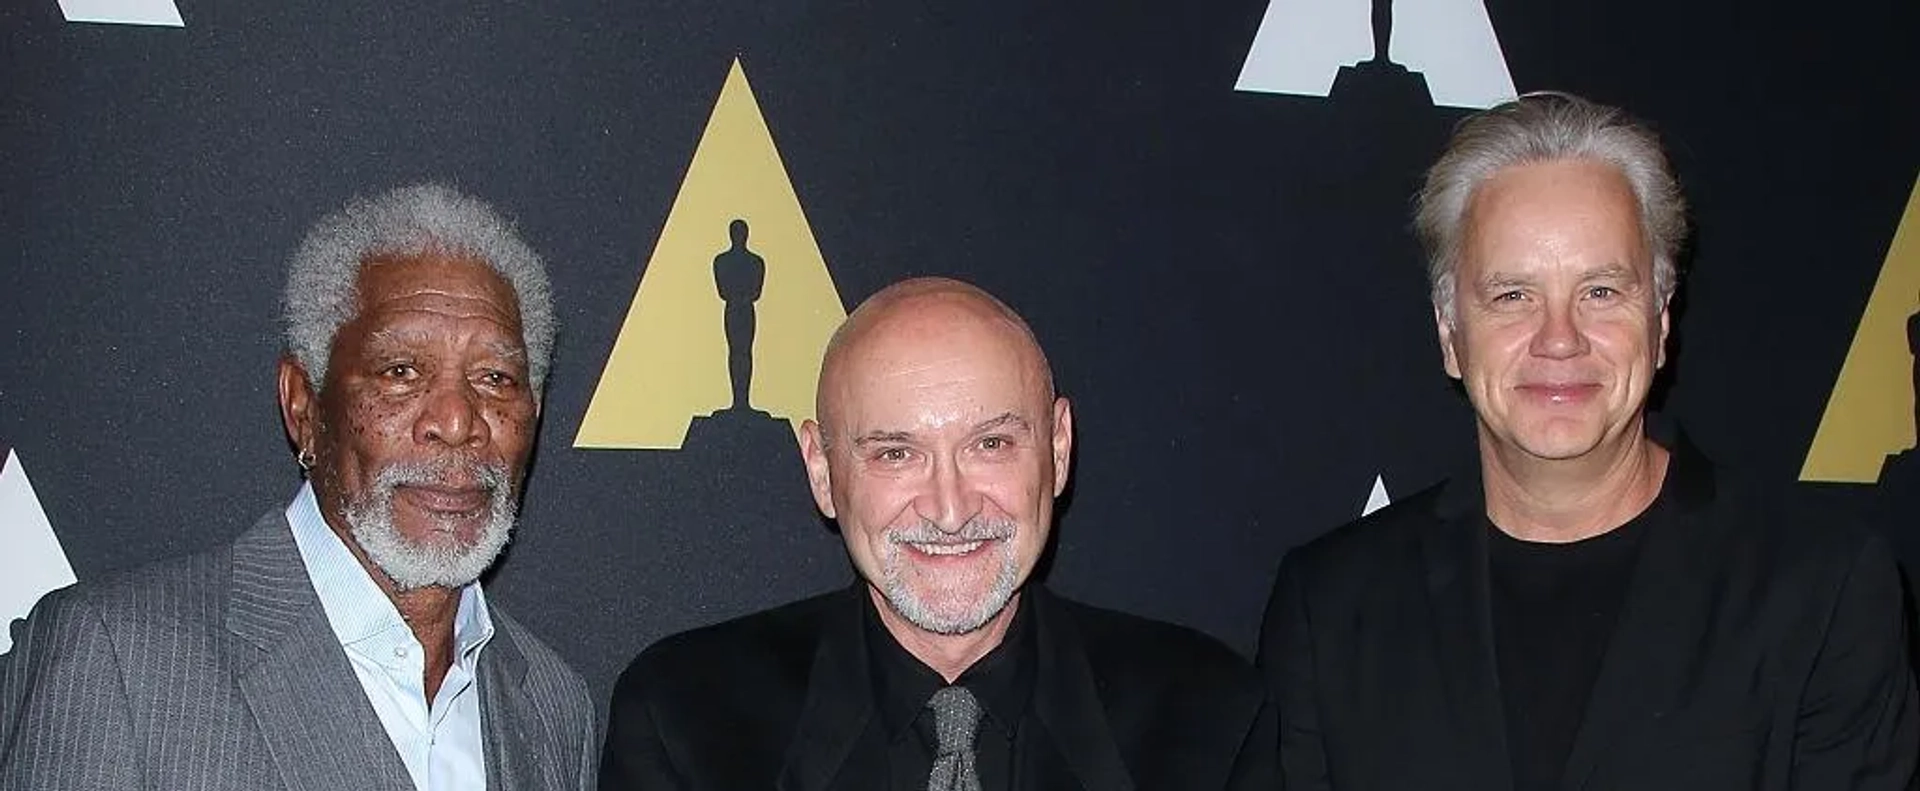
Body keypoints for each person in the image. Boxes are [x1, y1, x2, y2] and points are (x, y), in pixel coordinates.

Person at [1258, 92, 1919, 790]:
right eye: (1512, 295)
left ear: (1662, 321)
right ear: (1451, 334)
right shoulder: (1331, 605)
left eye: (1601, 291)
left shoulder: (1821, 591)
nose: (1560, 338)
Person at [0, 184, 597, 790]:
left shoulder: (552, 708)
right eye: (401, 372)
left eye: (496, 378)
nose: (456, 420)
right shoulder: (118, 660)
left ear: (536, 412)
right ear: (304, 405)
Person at [600, 277, 1275, 789]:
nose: (950, 508)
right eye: (897, 453)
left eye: (992, 443)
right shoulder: (687, 719)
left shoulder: (1208, 715)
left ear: (1060, 449)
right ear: (822, 469)